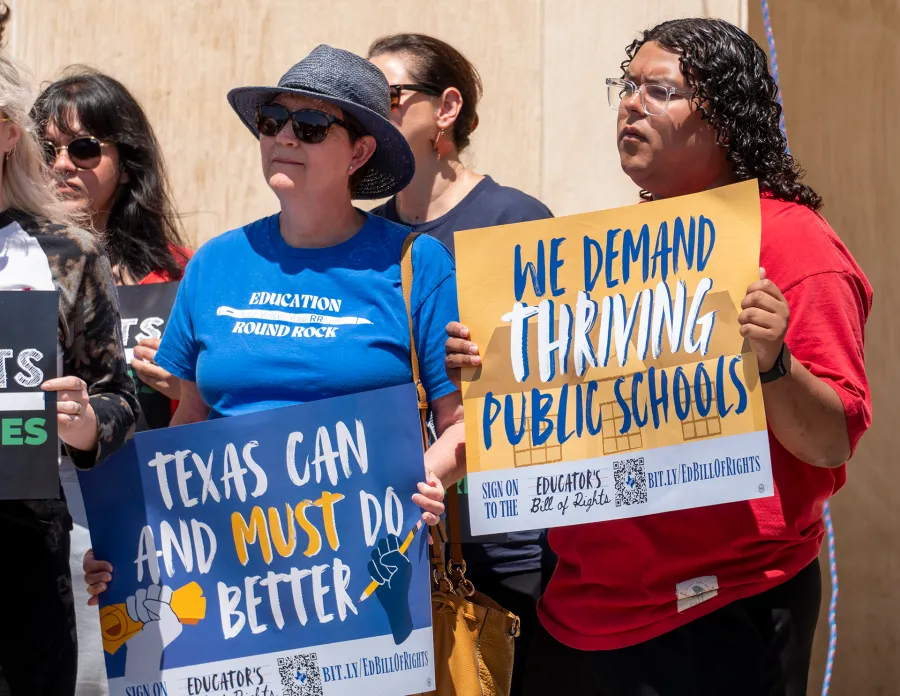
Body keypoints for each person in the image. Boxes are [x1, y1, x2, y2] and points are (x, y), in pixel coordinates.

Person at [446, 18, 872, 696]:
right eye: (628, 85)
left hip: (720, 611)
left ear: (727, 118)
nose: (631, 103)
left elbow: (829, 443)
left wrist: (773, 364)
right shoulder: (606, 256)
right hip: (578, 614)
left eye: (661, 90)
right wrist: (493, 365)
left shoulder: (796, 247)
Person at [84, 44, 461, 607]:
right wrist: (131, 536)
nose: (284, 137)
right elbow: (189, 421)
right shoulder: (214, 264)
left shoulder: (416, 265)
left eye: (310, 125)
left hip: (367, 572)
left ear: (359, 152)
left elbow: (465, 425)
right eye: (272, 121)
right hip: (234, 582)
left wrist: (424, 480)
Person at [367, 33, 555, 695]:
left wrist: (498, 363)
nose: (367, 110)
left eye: (386, 96)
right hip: (397, 540)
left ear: (446, 108)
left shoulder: (515, 220)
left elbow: (556, 379)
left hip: (503, 545)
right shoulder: (368, 238)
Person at [31, 68, 191, 696]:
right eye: (48, 149)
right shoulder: (13, 259)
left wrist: (178, 384)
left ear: (127, 162)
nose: (64, 165)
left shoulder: (179, 273)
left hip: (148, 519)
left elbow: (214, 404)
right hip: (43, 518)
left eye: (85, 148)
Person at [0, 54, 138, 696]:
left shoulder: (67, 252)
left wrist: (85, 423)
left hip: (25, 569)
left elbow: (119, 400)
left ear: (6, 133)